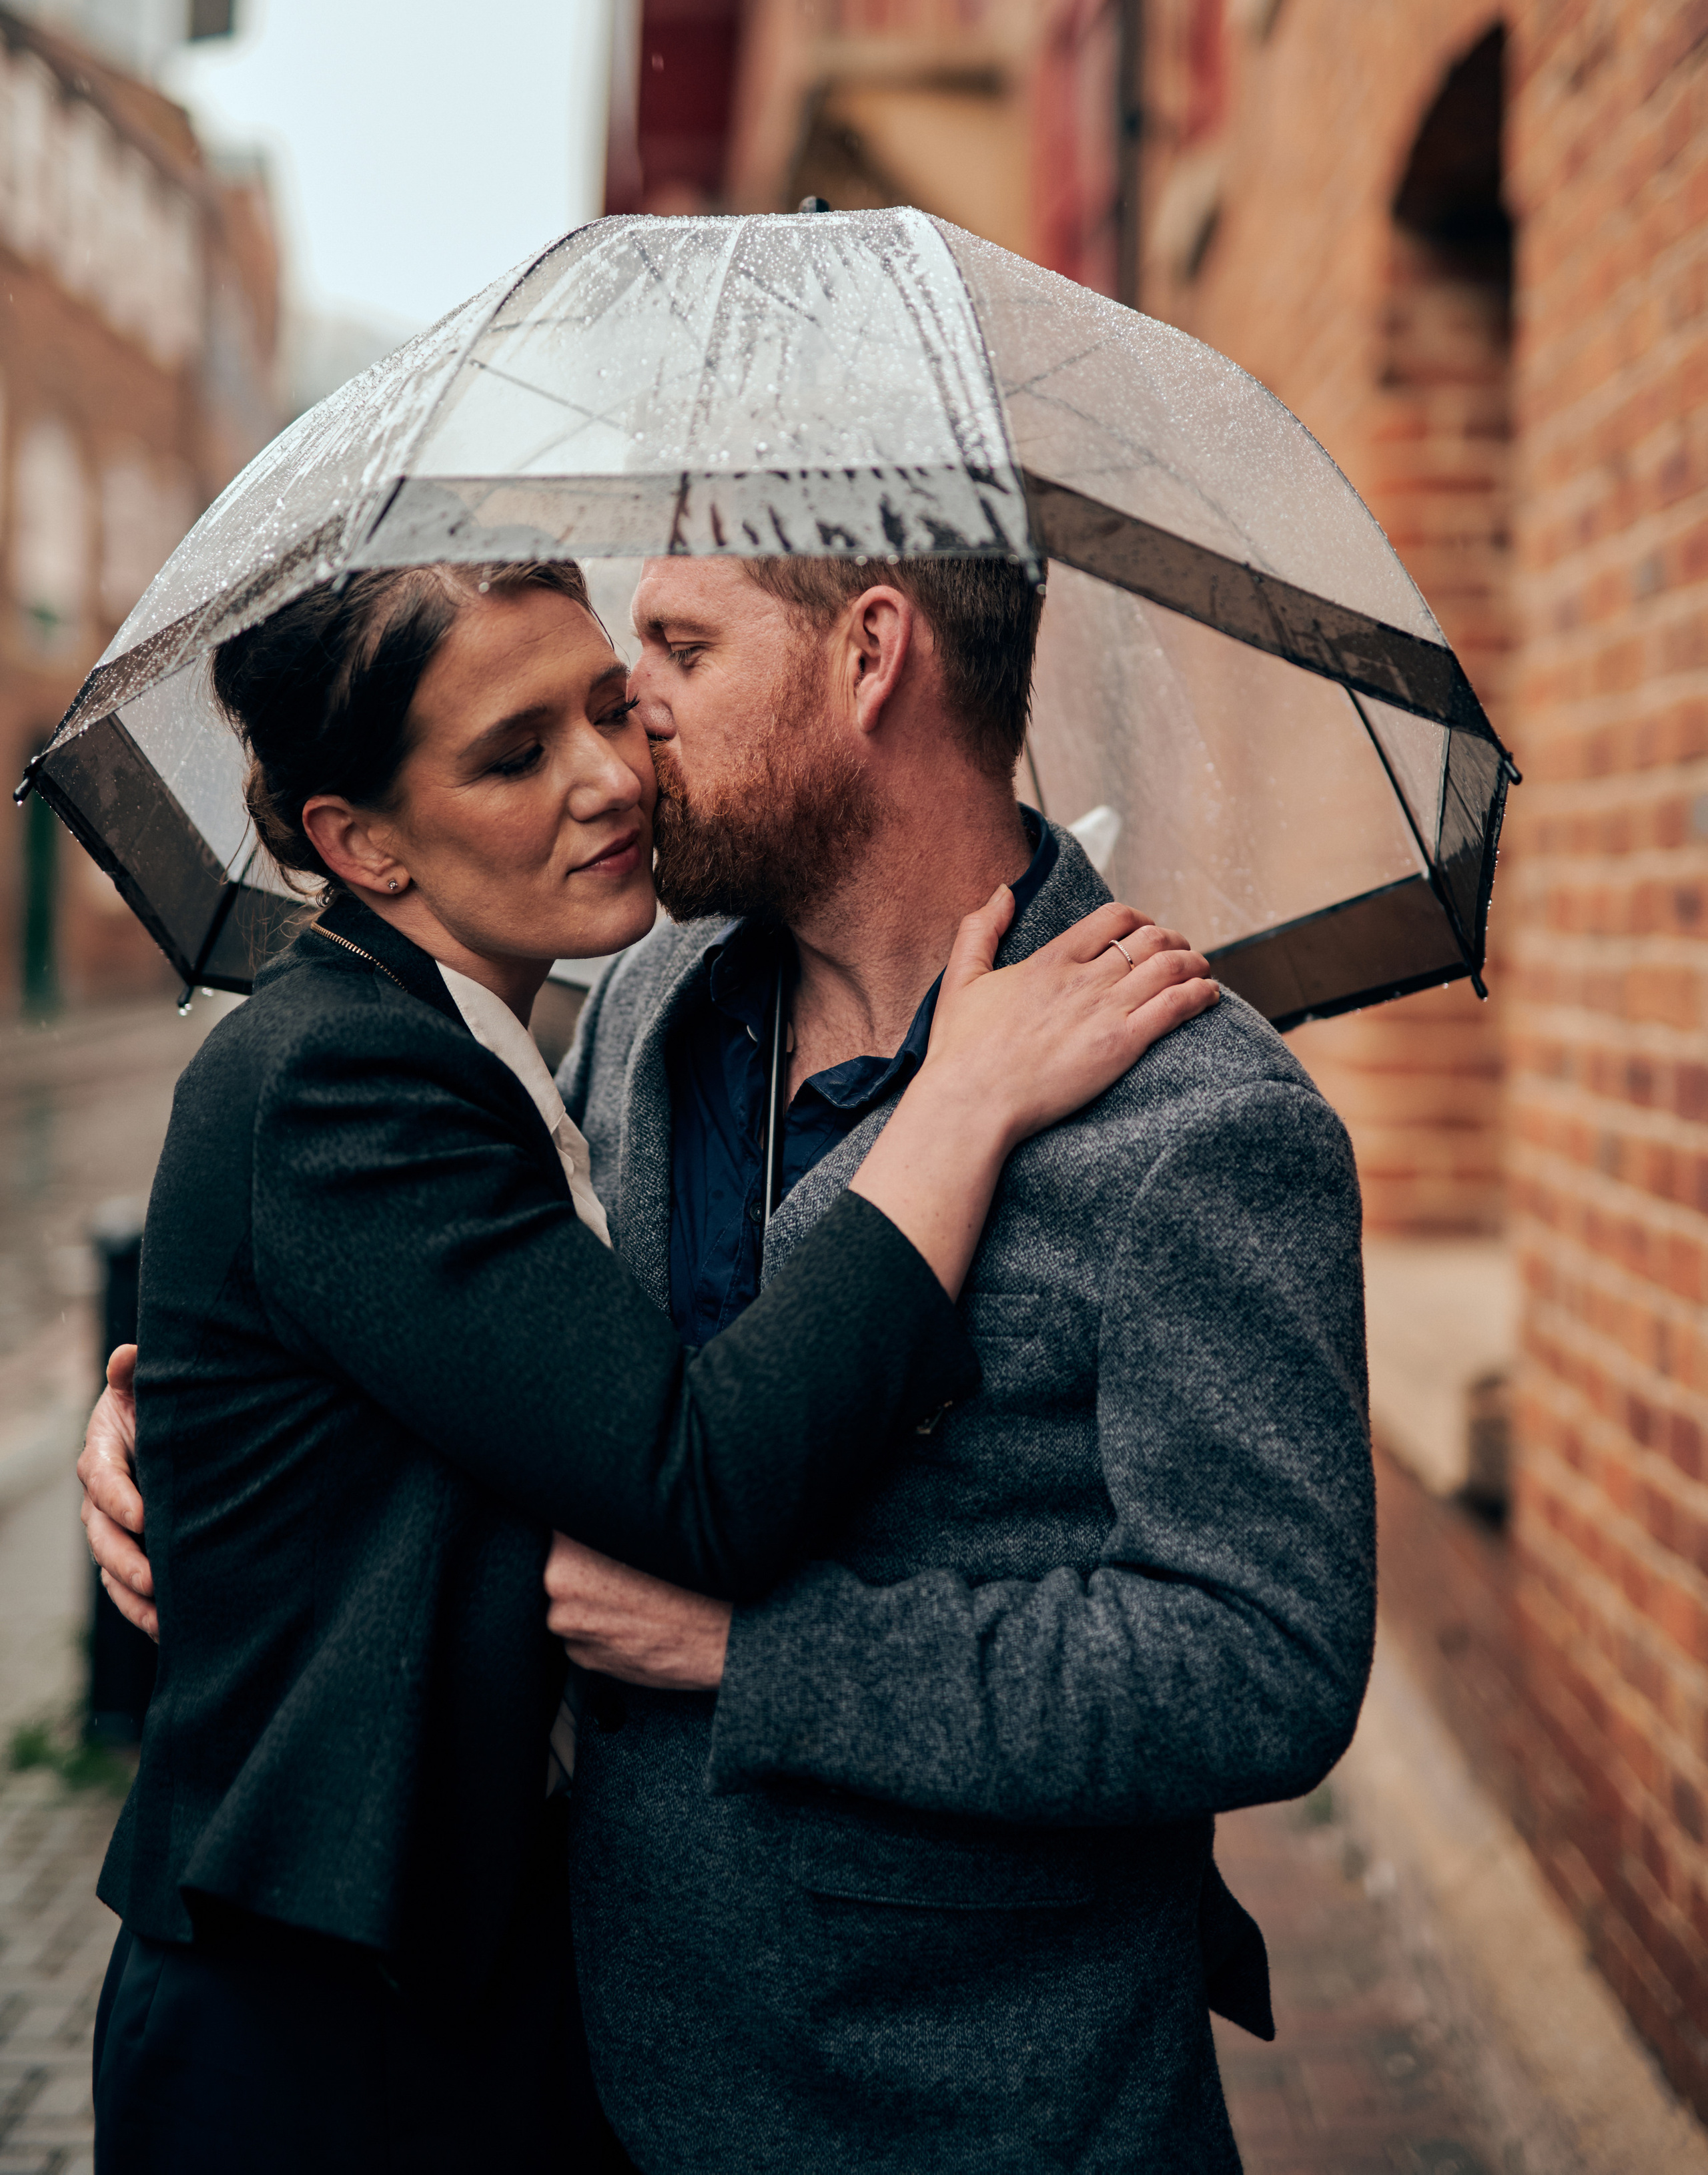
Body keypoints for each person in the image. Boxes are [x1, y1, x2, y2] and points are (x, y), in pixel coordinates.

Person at [79, 555, 1217, 2175]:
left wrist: (194, 1429)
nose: (611, 774)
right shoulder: (344, 1075)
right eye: (512, 755)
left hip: (508, 1994)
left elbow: (461, 1376)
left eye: (610, 702)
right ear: (363, 845)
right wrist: (959, 1105)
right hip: (318, 2031)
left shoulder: (524, 1041)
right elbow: (698, 1474)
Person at [534, 552, 1377, 2171]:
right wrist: (210, 1441)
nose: (628, 697)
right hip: (613, 2076)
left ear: (868, 653)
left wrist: (756, 1653)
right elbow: (527, 1379)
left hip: (983, 2110)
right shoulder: (642, 1007)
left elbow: (1261, 1663)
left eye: (682, 645)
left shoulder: (1200, 1123)